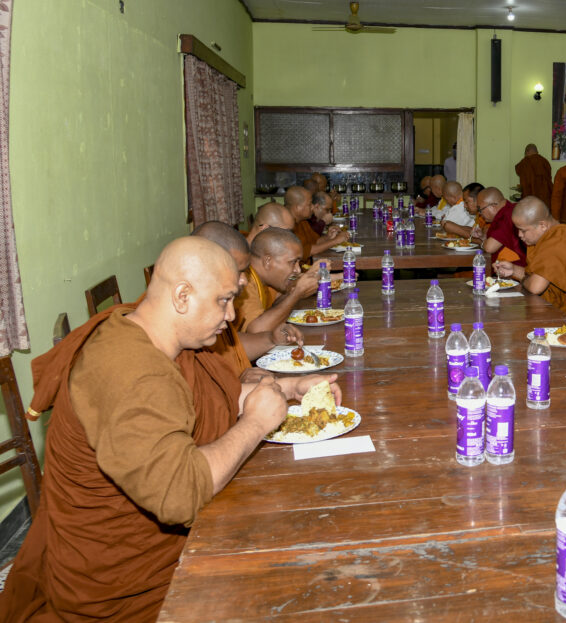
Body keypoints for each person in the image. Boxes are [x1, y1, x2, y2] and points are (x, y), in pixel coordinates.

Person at [0, 237, 341, 622]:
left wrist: (289, 389)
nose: (231, 317)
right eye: (224, 300)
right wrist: (256, 423)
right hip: (123, 583)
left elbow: (220, 396)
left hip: (160, 541)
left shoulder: (155, 335)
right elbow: (179, 493)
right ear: (182, 296)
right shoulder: (127, 370)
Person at [192, 221, 303, 379]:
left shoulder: (215, 303)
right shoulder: (177, 326)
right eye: (239, 271)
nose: (244, 280)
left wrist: (271, 338)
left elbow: (230, 344)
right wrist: (238, 383)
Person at [494, 197, 566, 323]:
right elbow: (539, 276)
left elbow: (536, 286)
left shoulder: (561, 238)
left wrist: (524, 278)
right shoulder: (547, 237)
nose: (519, 235)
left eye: (523, 230)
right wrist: (513, 270)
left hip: (565, 318)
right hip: (546, 308)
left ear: (543, 225)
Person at [234, 227, 319, 333]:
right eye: (293, 262)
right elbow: (256, 331)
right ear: (268, 261)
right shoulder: (245, 281)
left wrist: (297, 289)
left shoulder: (266, 278)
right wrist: (296, 294)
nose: (297, 269)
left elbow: (276, 302)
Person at [284, 186, 347, 261]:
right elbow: (305, 251)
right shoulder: (285, 225)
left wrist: (328, 237)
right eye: (309, 204)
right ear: (298, 207)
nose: (313, 207)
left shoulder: (302, 221)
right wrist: (335, 241)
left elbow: (314, 242)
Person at [477, 187, 526, 267]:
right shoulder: (507, 212)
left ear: (493, 206)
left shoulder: (508, 215)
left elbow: (490, 247)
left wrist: (482, 243)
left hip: (516, 269)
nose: (479, 213)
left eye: (480, 209)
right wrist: (483, 237)